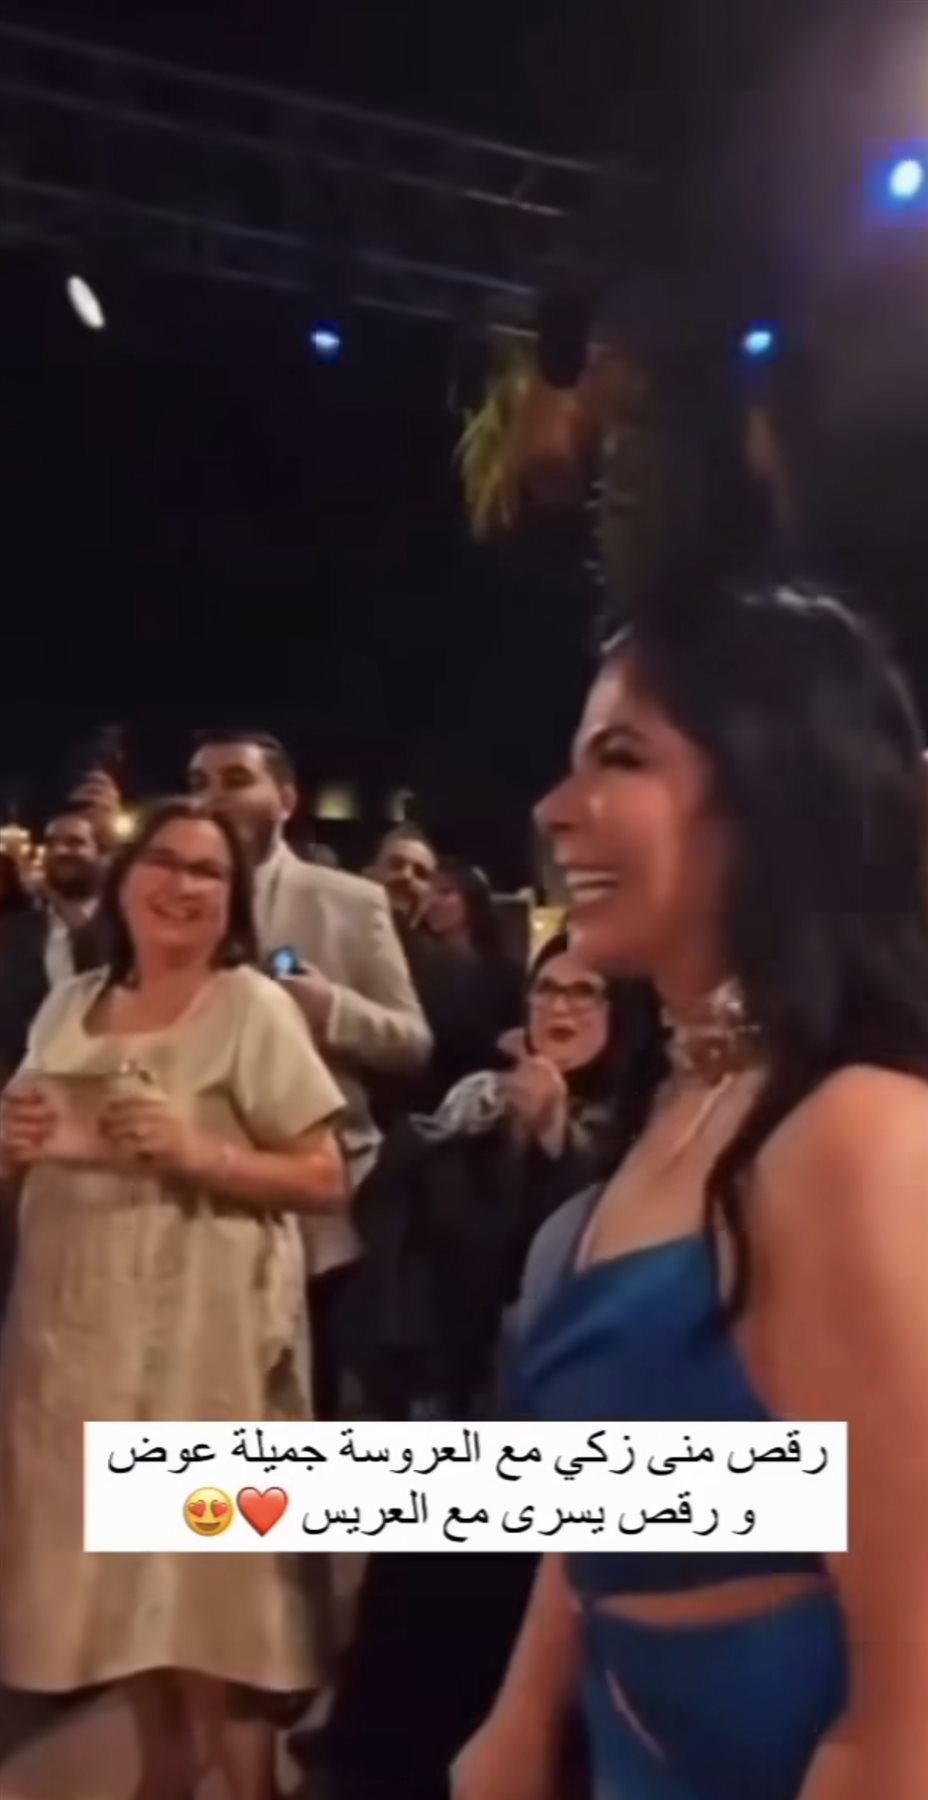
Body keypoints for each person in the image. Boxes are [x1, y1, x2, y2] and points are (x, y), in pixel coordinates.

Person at [454, 581, 928, 1800]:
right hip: (635, 1744)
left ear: (774, 790)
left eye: (620, 758)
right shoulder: (676, 1107)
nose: (555, 809)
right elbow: (618, 1471)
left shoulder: (857, 1140)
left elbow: (909, 1716)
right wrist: (519, 1716)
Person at [0, 797, 348, 1800]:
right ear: (125, 878)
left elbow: (324, 1176)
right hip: (75, 1344)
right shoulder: (69, 1005)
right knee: (123, 1587)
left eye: (209, 871)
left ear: (234, 898)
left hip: (206, 1341)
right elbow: (28, 1154)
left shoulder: (250, 1008)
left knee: (215, 1591)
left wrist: (197, 1153)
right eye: (164, 861)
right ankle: (163, 1775)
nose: (182, 885)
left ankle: (249, 1788)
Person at [307, 939, 658, 1800]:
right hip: (450, 1404)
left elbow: (588, 1263)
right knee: (410, 1624)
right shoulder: (473, 1101)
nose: (561, 1008)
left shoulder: (647, 1125)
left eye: (586, 993)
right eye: (548, 989)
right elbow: (406, 1224)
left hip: (556, 1426)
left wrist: (554, 1143)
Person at [187, 734, 431, 1215]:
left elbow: (412, 1041)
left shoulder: (350, 901)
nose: (213, 797)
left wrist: (331, 1008)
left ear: (286, 800)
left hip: (322, 1195)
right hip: (196, 1182)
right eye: (199, 783)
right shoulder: (169, 903)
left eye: (236, 781)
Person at [370, 832, 514, 1122]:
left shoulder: (453, 971)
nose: (406, 877)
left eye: (421, 873)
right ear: (370, 872)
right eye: (396, 864)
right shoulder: (339, 931)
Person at [425, 856, 523, 1043]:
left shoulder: (506, 975)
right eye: (429, 893)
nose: (432, 901)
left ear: (472, 900)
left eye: (445, 892)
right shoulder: (420, 968)